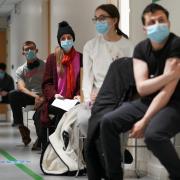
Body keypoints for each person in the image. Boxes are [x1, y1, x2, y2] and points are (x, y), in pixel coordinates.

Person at [96, 3, 180, 180]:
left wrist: (145, 120)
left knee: (154, 135)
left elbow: (166, 92)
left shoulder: (176, 45)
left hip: (174, 102)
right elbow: (142, 88)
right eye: (152, 22)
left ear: (169, 23)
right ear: (144, 28)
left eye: (161, 20)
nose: (157, 25)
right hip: (147, 100)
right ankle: (114, 177)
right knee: (108, 122)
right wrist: (168, 75)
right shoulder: (141, 49)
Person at [78, 3, 134, 138]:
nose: (98, 22)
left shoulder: (129, 46)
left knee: (117, 120)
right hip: (96, 96)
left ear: (115, 20)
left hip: (120, 96)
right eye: (96, 19)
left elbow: (131, 78)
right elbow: (87, 77)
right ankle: (97, 151)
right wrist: (87, 99)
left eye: (102, 18)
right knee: (84, 120)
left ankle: (117, 153)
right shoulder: (90, 46)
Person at [36, 21, 82, 149]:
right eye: (63, 38)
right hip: (55, 100)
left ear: (73, 39)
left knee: (74, 111)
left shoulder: (80, 58)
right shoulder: (52, 58)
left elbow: (83, 82)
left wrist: (79, 95)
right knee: (63, 111)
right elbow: (47, 82)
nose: (66, 40)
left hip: (74, 101)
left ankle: (66, 146)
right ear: (59, 41)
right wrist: (54, 94)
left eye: (69, 38)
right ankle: (60, 145)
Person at [9, 41, 45, 147]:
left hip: (44, 96)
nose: (29, 51)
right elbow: (21, 87)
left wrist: (42, 97)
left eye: (31, 48)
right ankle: (22, 127)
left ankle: (40, 139)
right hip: (31, 96)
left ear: (36, 50)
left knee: (40, 114)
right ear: (23, 53)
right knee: (13, 94)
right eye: (26, 49)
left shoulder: (45, 65)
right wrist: (35, 96)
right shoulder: (20, 70)